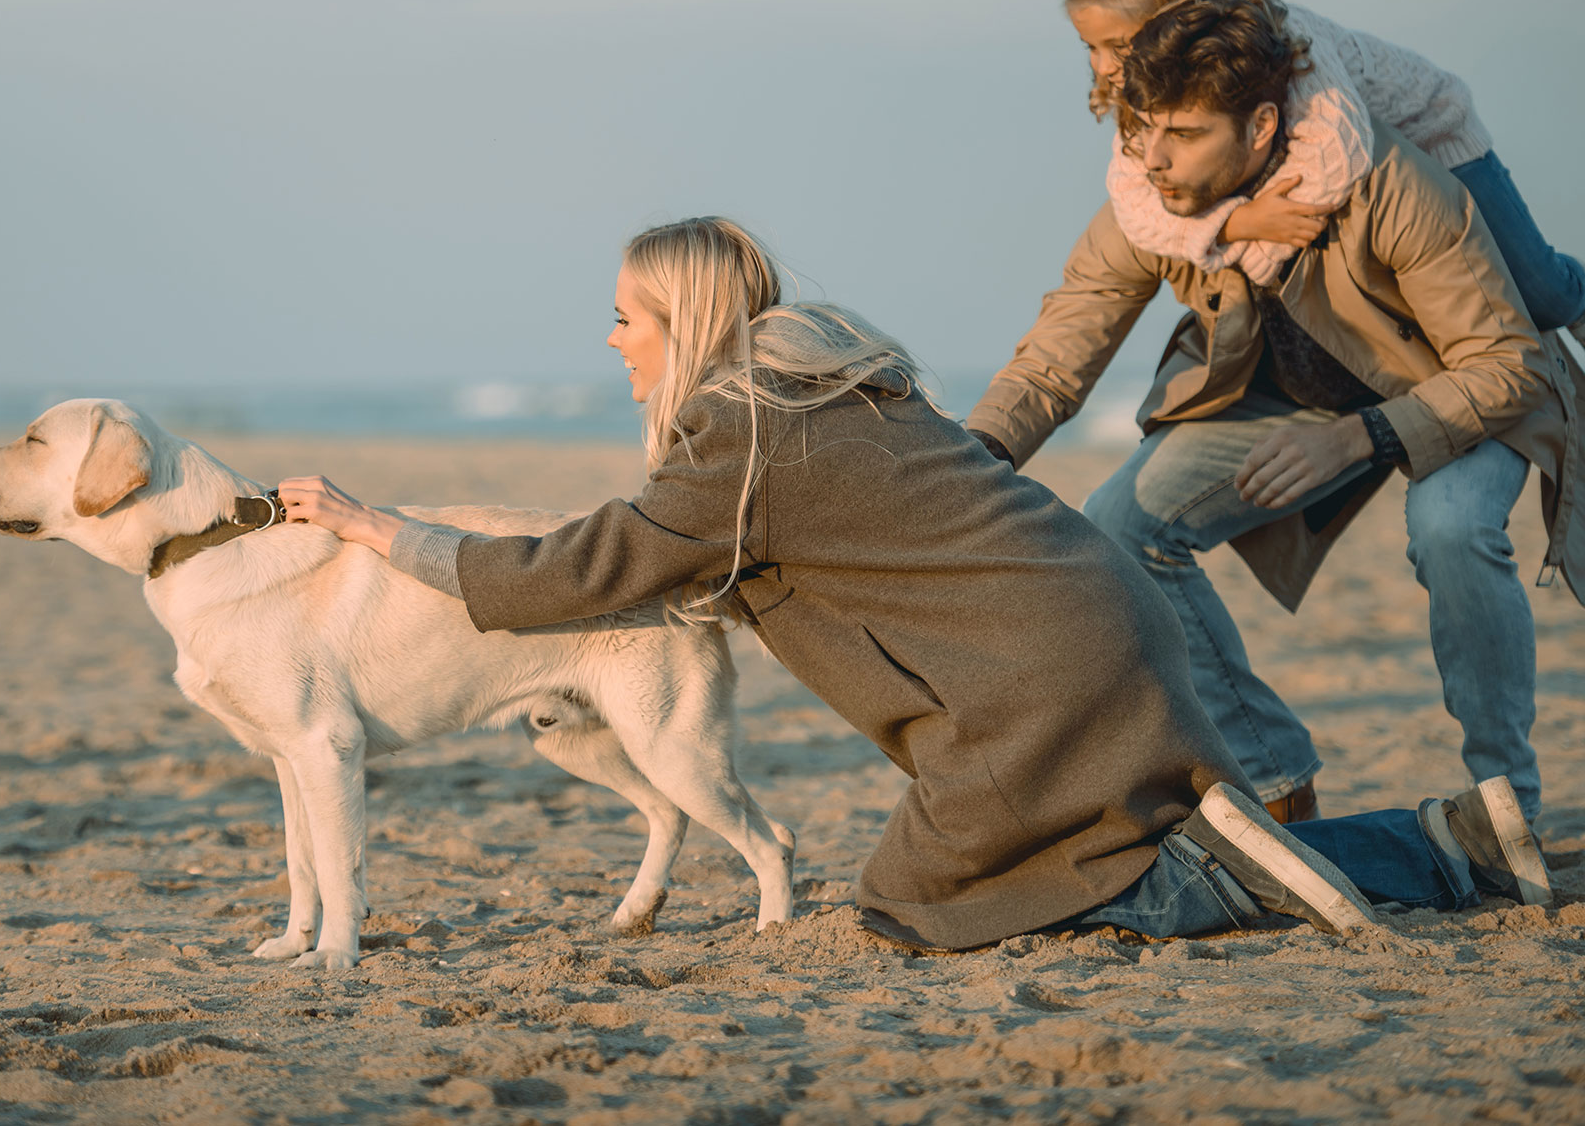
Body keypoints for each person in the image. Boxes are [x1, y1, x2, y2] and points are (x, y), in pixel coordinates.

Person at [278, 217, 1551, 950]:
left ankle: (1224, 871)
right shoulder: (835, 384)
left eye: (626, 317)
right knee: (1078, 846)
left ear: (681, 322)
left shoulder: (740, 435)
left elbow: (581, 569)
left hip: (1023, 688)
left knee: (912, 904)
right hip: (1096, 618)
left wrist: (381, 532)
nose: (610, 340)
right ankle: (1446, 840)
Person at [969, 0, 1581, 834]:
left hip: (1454, 387)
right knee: (1120, 521)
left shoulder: (1390, 183)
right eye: (1143, 130)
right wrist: (968, 458)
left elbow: (1505, 361)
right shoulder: (1163, 209)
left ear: (1261, 127)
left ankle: (1507, 803)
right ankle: (1278, 782)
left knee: (1451, 530)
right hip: (1290, 401)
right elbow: (1055, 354)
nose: (1154, 159)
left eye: (1184, 135)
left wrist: (1360, 436)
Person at [1063, 0, 1585, 340]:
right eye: (1091, 47)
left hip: (1436, 140)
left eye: (1119, 44)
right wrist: (1238, 225)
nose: (1106, 66)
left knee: (1542, 299)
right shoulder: (1143, 91)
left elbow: (1338, 158)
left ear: (1178, 11)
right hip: (1371, 192)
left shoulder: (1287, 41)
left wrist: (1254, 241)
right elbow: (1130, 202)